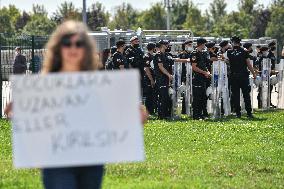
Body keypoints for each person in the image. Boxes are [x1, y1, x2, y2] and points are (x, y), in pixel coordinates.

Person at [4, 20, 148, 189]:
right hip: (55, 159)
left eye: (78, 43)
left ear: (86, 49)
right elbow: (35, 116)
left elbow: (109, 114)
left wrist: (132, 115)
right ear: (58, 48)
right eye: (67, 43)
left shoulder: (100, 83)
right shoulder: (43, 85)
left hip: (91, 159)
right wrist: (20, 110)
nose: (73, 48)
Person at [226, 36, 257, 118]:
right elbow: (248, 64)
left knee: (235, 95)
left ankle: (238, 113)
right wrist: (253, 74)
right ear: (239, 42)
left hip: (233, 76)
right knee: (246, 95)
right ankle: (249, 113)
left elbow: (227, 61)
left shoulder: (229, 52)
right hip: (243, 76)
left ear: (232, 42)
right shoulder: (244, 51)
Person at [191, 38, 211, 120]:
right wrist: (204, 72)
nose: (205, 46)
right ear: (201, 44)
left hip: (203, 77)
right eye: (204, 44)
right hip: (197, 78)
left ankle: (201, 114)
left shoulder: (203, 53)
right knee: (197, 98)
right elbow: (194, 67)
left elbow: (203, 65)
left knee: (203, 97)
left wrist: (207, 72)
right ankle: (196, 115)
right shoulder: (194, 53)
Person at [154, 40, 173, 119]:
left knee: (166, 97)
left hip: (165, 79)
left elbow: (173, 60)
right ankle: (161, 115)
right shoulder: (158, 55)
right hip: (161, 78)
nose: (168, 45)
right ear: (162, 45)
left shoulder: (166, 55)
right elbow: (161, 67)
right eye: (166, 44)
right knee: (163, 97)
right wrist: (168, 75)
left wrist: (186, 60)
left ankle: (165, 114)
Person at [179, 40, 193, 114]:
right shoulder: (182, 54)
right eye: (189, 45)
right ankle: (184, 110)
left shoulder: (192, 54)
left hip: (192, 74)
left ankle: (191, 108)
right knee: (186, 93)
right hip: (185, 75)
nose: (191, 46)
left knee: (191, 93)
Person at [143, 42, 156, 115]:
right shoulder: (147, 56)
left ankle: (152, 110)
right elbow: (146, 69)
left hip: (153, 77)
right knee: (149, 96)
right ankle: (148, 111)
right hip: (148, 78)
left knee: (152, 95)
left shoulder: (153, 56)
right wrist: (151, 80)